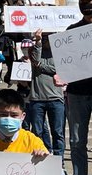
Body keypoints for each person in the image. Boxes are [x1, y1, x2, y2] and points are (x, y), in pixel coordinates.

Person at [25, 28, 64, 162]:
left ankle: (60, 162)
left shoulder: (60, 53)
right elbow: (35, 59)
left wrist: (40, 66)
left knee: (57, 133)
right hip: (37, 98)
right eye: (45, 37)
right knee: (37, 133)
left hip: (56, 98)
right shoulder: (35, 49)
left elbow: (59, 69)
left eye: (49, 36)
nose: (47, 39)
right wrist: (38, 41)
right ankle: (40, 159)